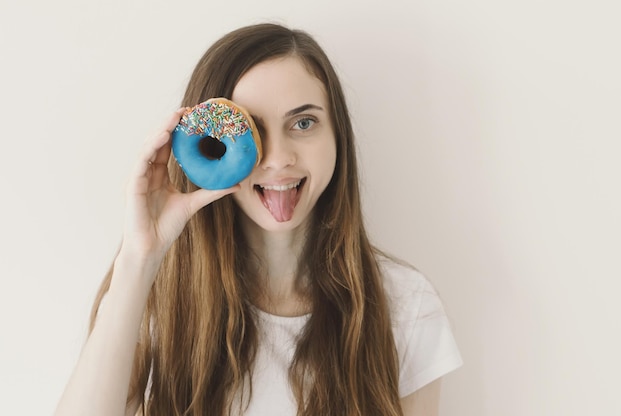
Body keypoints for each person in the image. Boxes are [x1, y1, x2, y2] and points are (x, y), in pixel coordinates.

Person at [54, 23, 462, 416]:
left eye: (303, 123)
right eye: (252, 129)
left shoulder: (405, 304)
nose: (278, 158)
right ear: (211, 146)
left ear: (338, 136)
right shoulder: (151, 295)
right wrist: (140, 257)